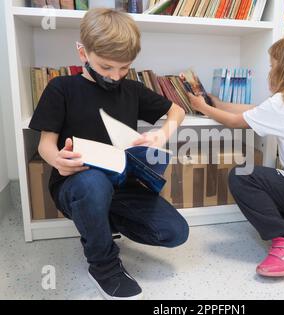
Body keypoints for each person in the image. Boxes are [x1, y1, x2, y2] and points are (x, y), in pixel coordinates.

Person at [29, 8, 188, 299]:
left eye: (124, 68)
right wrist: (57, 161)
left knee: (175, 233)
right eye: (106, 67)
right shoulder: (61, 88)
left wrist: (161, 134)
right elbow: (45, 145)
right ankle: (103, 265)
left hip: (122, 183)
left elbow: (177, 110)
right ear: (82, 53)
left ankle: (99, 224)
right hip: (77, 183)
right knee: (93, 183)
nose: (115, 76)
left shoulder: (133, 90)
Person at [188, 35, 284, 277]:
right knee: (271, 194)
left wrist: (204, 109)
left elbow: (235, 121)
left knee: (243, 177)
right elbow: (251, 110)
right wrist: (217, 103)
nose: (269, 70)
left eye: (272, 65)